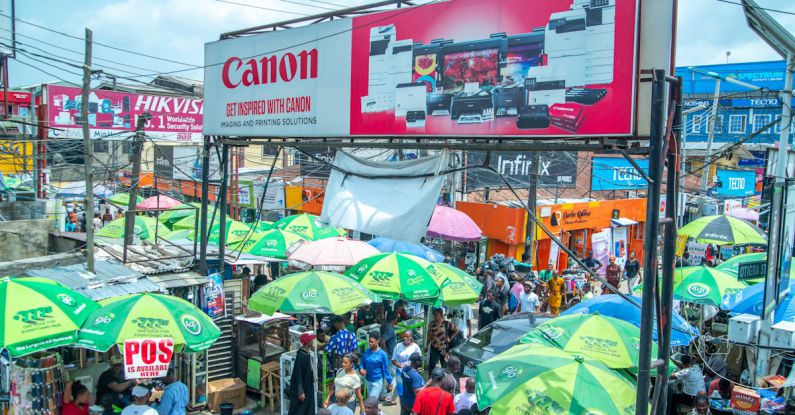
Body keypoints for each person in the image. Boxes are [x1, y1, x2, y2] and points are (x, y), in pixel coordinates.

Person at [288, 333, 317, 415]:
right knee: (299, 410)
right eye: (311, 340)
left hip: (307, 386)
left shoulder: (306, 353)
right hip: (302, 388)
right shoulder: (301, 356)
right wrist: (300, 391)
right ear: (307, 342)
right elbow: (298, 374)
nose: (313, 341)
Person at [361, 331, 393, 400]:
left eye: (372, 342)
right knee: (372, 401)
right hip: (368, 380)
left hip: (377, 381)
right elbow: (362, 363)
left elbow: (386, 369)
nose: (370, 343)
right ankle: (377, 410)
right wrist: (361, 369)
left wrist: (389, 382)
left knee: (371, 400)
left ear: (378, 341)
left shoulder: (382, 354)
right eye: (369, 341)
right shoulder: (367, 351)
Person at [380, 313, 399, 405]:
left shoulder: (384, 325)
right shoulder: (389, 328)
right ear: (394, 319)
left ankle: (383, 395)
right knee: (394, 376)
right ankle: (389, 396)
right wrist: (386, 354)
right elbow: (382, 341)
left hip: (388, 356)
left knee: (385, 376)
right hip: (390, 356)